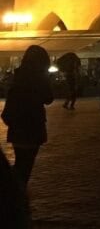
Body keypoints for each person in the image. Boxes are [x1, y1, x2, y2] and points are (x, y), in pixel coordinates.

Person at [0, 45, 53, 187]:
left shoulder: (18, 76)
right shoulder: (38, 78)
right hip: (32, 126)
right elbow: (48, 98)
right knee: (26, 165)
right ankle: (16, 195)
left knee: (20, 163)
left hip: (17, 127)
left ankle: (15, 192)